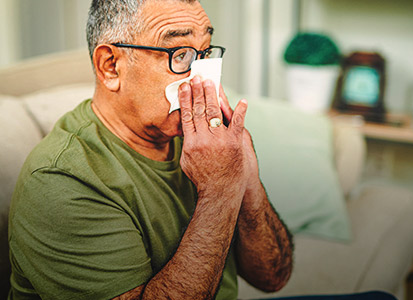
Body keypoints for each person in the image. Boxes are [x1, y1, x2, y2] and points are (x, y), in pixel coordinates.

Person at [8, 0, 293, 299]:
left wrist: (245, 177)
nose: (202, 79)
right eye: (180, 55)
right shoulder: (60, 180)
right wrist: (220, 190)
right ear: (111, 66)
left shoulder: (207, 143)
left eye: (205, 53)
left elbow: (273, 276)